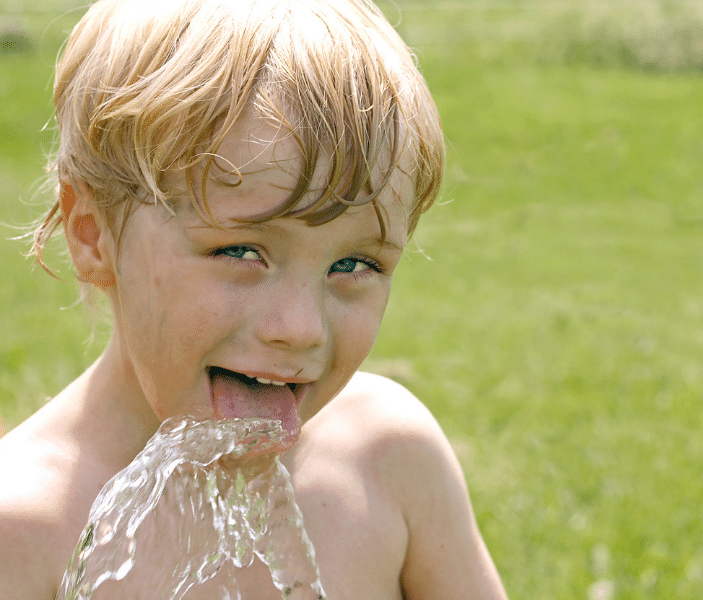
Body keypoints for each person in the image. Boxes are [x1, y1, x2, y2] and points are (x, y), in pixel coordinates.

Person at [0, 0, 509, 598]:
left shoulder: (389, 462)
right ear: (91, 233)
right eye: (241, 252)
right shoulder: (24, 532)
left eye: (354, 264)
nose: (300, 328)